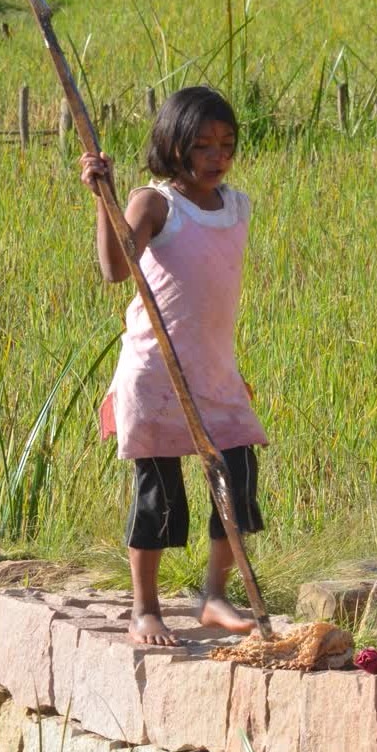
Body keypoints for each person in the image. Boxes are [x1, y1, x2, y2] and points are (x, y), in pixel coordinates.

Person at [79, 86, 266, 647]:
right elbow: (115, 270)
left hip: (214, 372)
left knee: (237, 477)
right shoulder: (155, 203)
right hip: (155, 373)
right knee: (159, 494)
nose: (217, 157)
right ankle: (145, 608)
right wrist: (105, 199)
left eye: (226, 145)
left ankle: (214, 595)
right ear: (174, 145)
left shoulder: (236, 206)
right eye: (203, 146)